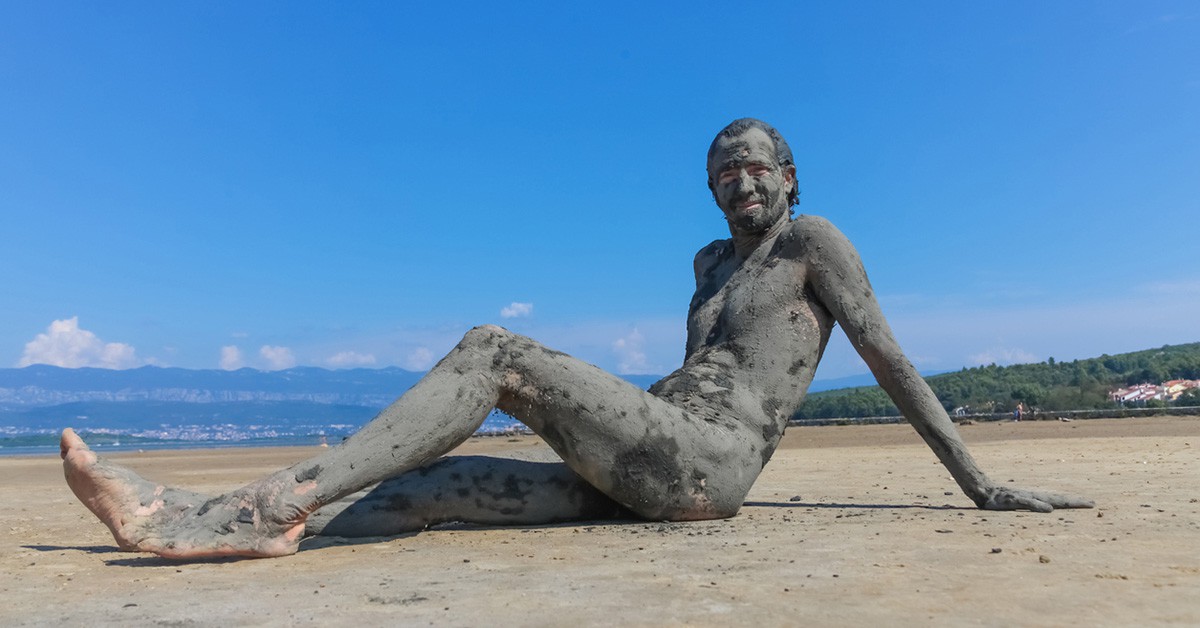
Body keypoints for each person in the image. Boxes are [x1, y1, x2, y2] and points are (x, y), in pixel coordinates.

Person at [60, 118, 1093, 560]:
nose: (738, 179)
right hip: (651, 451)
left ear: (790, 175)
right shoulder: (707, 268)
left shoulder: (812, 244)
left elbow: (890, 359)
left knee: (493, 350)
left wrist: (981, 483)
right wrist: (561, 419)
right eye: (721, 170)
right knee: (425, 491)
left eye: (754, 163)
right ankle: (223, 526)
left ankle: (262, 496)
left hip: (708, 468)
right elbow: (683, 379)